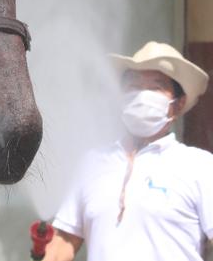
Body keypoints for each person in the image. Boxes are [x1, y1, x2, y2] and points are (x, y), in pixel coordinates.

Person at [43, 41, 213, 261]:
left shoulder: (200, 166)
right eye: (134, 85)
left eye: (155, 87)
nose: (142, 95)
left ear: (177, 104)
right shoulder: (92, 163)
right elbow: (64, 242)